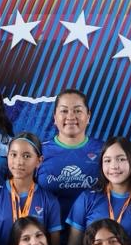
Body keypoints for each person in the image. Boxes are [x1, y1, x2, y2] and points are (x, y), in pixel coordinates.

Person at [0, 132, 62, 245]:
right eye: (14, 155)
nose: (19, 162)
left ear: (39, 161)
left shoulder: (49, 201)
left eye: (27, 156)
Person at [37, 89, 104, 219]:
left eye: (78, 111)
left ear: (88, 116)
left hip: (94, 229)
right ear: (55, 117)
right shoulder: (39, 151)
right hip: (48, 228)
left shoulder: (104, 151)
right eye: (64, 111)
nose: (71, 116)